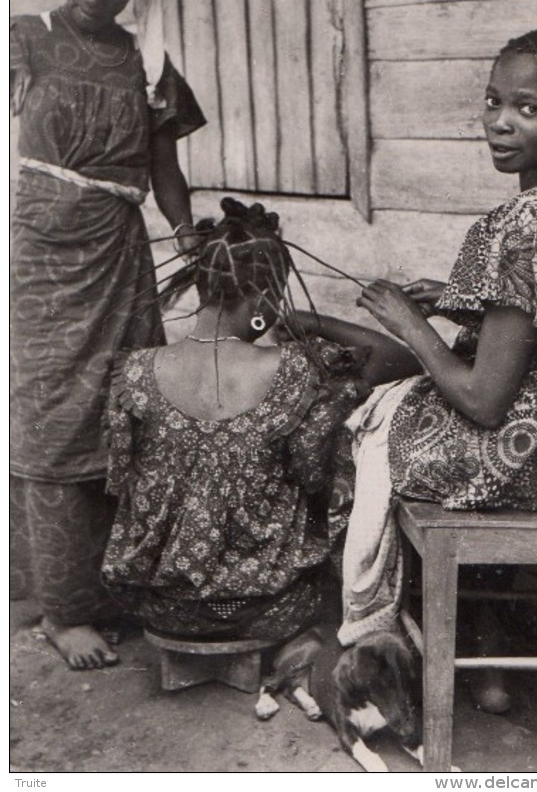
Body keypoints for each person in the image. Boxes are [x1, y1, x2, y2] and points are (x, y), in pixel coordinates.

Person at [300, 27, 537, 707]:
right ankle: (483, 632)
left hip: (524, 458)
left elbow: (484, 403)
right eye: (494, 101)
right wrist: (459, 300)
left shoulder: (517, 224)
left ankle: (397, 633)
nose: (500, 123)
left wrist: (410, 321)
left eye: (528, 110)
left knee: (370, 411)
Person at [10, 0, 206, 669]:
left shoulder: (145, 64)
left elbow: (167, 173)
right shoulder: (23, 38)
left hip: (117, 261)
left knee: (123, 418)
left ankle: (118, 590)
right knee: (54, 425)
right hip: (39, 264)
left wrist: (195, 241)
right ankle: (62, 611)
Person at [101, 198, 418, 644]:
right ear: (267, 297)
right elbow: (400, 361)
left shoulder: (132, 372)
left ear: (201, 284)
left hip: (160, 609)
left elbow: (122, 487)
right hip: (269, 609)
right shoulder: (297, 371)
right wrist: (307, 320)